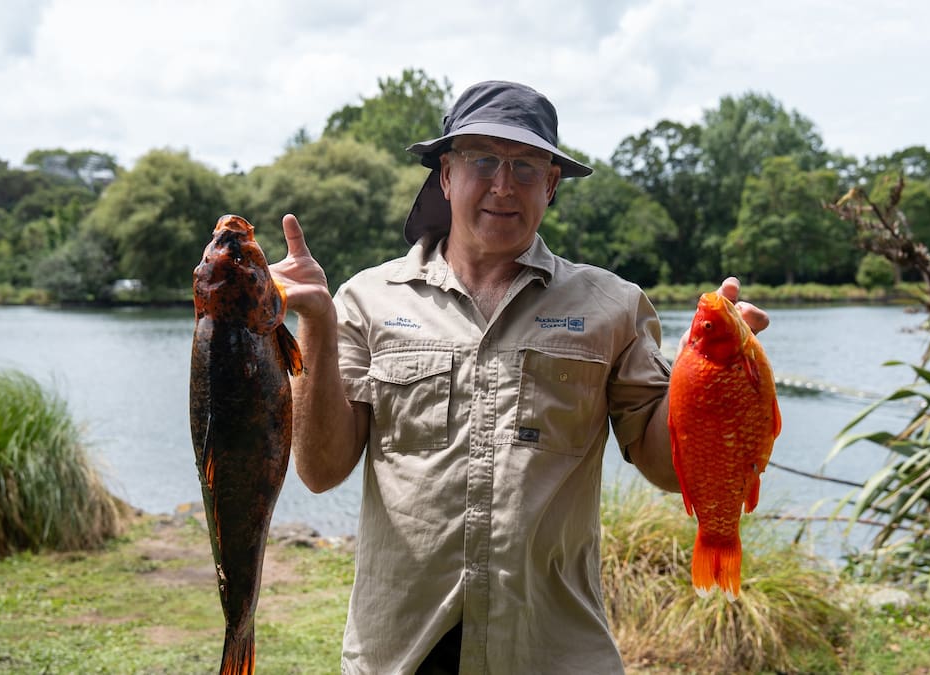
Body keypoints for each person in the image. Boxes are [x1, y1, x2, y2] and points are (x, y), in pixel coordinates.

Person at [269, 80, 769, 675]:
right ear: (446, 176)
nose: (504, 186)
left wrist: (707, 373)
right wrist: (317, 324)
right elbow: (321, 471)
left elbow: (665, 468)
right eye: (483, 160)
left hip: (552, 650)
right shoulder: (366, 299)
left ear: (552, 186)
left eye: (527, 167)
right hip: (401, 651)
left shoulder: (613, 305)